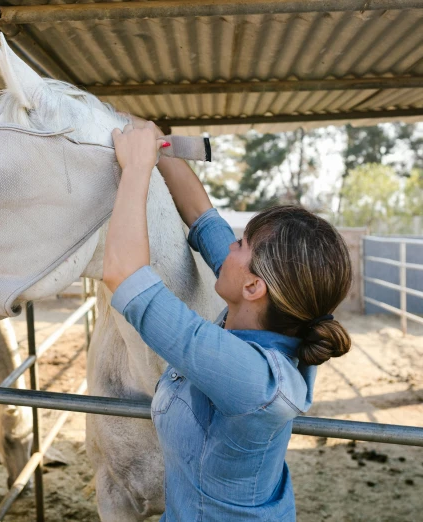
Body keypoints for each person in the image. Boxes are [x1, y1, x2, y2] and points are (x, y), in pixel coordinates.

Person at [103, 120, 353, 521]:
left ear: (254, 287)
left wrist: (135, 168)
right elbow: (203, 218)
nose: (229, 246)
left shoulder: (252, 378)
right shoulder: (263, 316)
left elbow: (123, 274)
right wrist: (161, 148)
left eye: (240, 244)